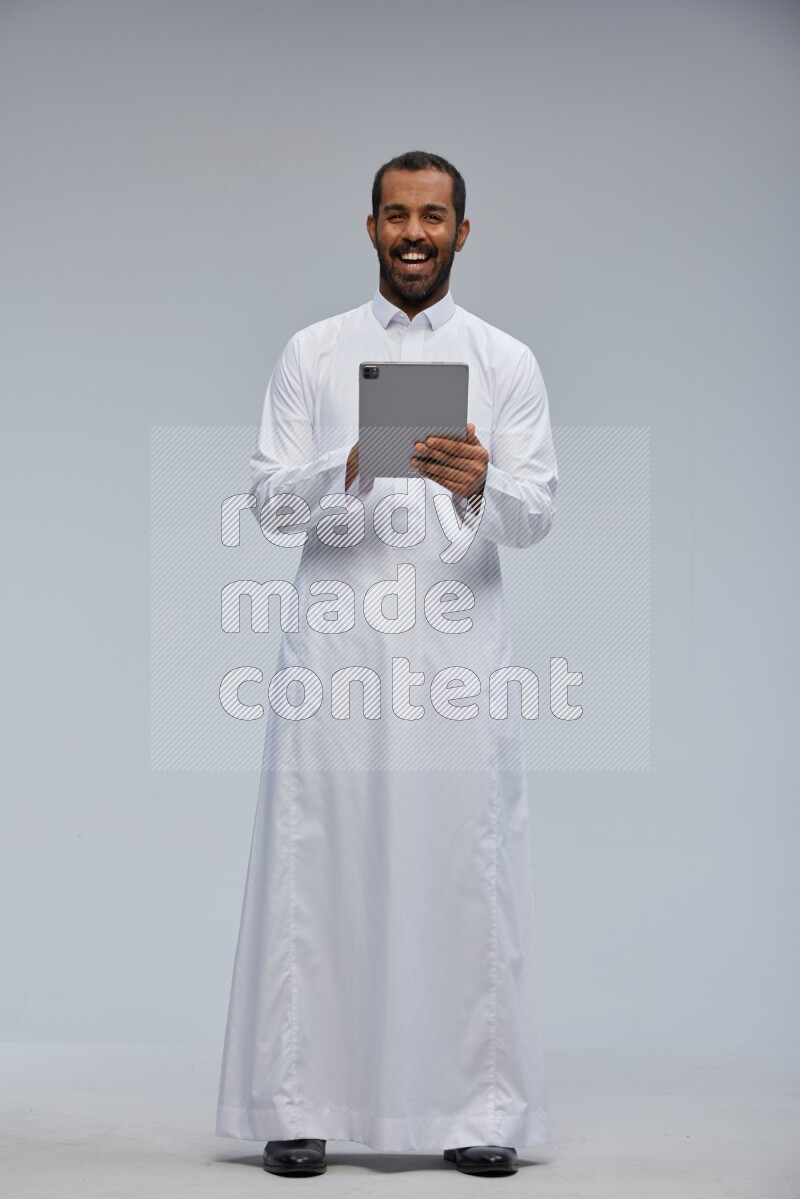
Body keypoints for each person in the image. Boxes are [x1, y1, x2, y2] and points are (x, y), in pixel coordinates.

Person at [216, 150, 558, 1178]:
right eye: (396, 215)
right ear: (369, 227)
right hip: (337, 651)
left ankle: (476, 1108)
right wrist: (350, 462)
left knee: (466, 866)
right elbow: (269, 506)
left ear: (462, 231)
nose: (414, 232)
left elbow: (536, 513)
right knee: (316, 860)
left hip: (456, 654)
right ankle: (297, 1100)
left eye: (434, 216)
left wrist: (478, 480)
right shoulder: (312, 354)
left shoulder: (505, 361)